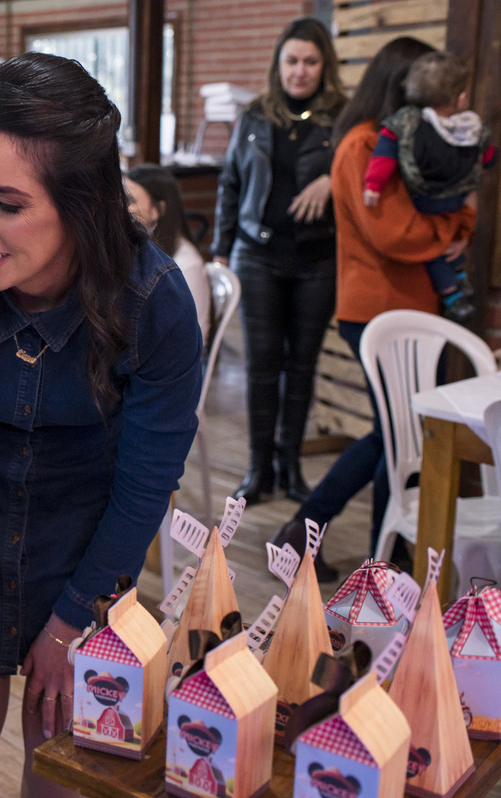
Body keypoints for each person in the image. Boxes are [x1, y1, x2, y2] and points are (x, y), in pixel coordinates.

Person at [0, 53, 202, 797]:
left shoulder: (153, 303)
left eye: (6, 203)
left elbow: (145, 485)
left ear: (82, 204)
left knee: (62, 734)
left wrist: (73, 619)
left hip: (91, 525)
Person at [269, 36, 475, 578]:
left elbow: (458, 202)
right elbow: (394, 233)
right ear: (403, 84)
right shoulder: (363, 144)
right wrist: (449, 230)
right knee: (397, 433)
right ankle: (326, 533)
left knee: (401, 434)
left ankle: (376, 547)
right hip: (379, 309)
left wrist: (456, 225)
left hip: (417, 308)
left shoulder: (413, 141)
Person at [213, 17, 347, 507]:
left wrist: (333, 179)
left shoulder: (342, 118)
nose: (300, 71)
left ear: (324, 66)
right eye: (292, 60)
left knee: (302, 365)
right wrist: (221, 248)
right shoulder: (254, 115)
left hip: (318, 257)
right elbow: (231, 183)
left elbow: (364, 173)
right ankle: (258, 469)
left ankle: (291, 466)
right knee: (262, 365)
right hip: (258, 254)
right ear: (279, 64)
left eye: (310, 61)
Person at [361, 50, 494, 324]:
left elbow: (384, 153)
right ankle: (457, 280)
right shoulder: (469, 126)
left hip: (424, 199)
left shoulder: (404, 123)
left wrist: (373, 184)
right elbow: (488, 156)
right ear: (460, 99)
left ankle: (452, 294)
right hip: (457, 199)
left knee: (434, 250)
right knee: (449, 239)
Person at [125, 163, 212, 343]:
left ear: (158, 209)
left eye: (130, 201)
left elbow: (196, 337)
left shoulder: (188, 264)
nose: (123, 209)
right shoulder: (139, 252)